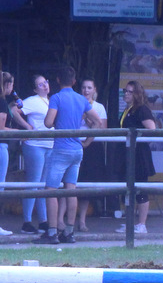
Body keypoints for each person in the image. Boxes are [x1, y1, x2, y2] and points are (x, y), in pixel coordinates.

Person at [33, 66, 102, 245]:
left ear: (57, 80)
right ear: (74, 81)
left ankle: (52, 232)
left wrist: (57, 120)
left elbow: (48, 122)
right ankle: (69, 232)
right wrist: (87, 141)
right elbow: (98, 121)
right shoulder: (81, 99)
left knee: (51, 190)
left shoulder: (56, 98)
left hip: (61, 149)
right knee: (71, 189)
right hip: (77, 149)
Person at [115, 80, 156, 235]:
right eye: (125, 90)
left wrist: (138, 142)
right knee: (129, 189)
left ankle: (142, 224)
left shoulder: (142, 109)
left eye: (130, 92)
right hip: (127, 154)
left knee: (140, 189)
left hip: (139, 155)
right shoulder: (128, 109)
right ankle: (130, 223)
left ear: (137, 94)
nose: (126, 94)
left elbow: (152, 129)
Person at [0, 71, 30, 236]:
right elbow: (0, 128)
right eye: (12, 84)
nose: (13, 88)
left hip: (0, 146)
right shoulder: (0, 102)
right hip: (1, 146)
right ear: (7, 85)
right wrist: (18, 132)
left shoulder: (1, 101)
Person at [18, 75, 53, 234]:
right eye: (40, 84)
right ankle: (27, 221)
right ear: (35, 89)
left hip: (49, 144)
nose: (45, 86)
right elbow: (14, 110)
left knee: (43, 184)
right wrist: (26, 126)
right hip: (35, 145)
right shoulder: (32, 100)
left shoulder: (50, 101)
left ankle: (43, 221)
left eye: (45, 82)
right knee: (33, 182)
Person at [75, 77, 107, 231]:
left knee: (85, 185)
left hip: (92, 148)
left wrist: (90, 122)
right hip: (75, 144)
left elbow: (103, 129)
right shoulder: (75, 104)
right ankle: (63, 221)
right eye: (83, 87)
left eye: (89, 88)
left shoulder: (99, 107)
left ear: (94, 90)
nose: (86, 90)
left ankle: (82, 221)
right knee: (70, 183)